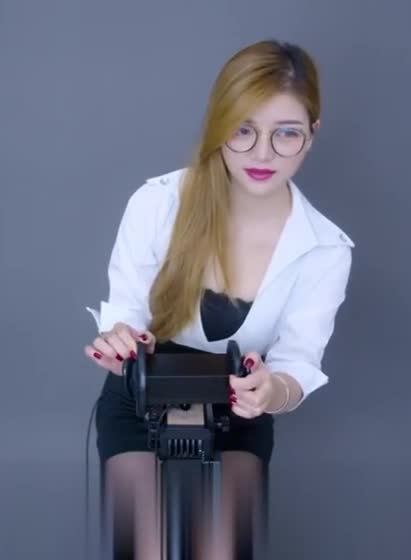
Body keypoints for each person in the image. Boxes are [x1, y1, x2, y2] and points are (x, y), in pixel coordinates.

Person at [83, 39, 355, 559]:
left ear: (313, 134)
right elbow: (127, 311)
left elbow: (297, 365)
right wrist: (120, 343)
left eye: (286, 133)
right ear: (218, 125)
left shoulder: (325, 250)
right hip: (142, 400)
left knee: (222, 550)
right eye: (243, 129)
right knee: (144, 549)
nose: (262, 153)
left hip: (239, 410)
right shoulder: (158, 203)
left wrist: (270, 392)